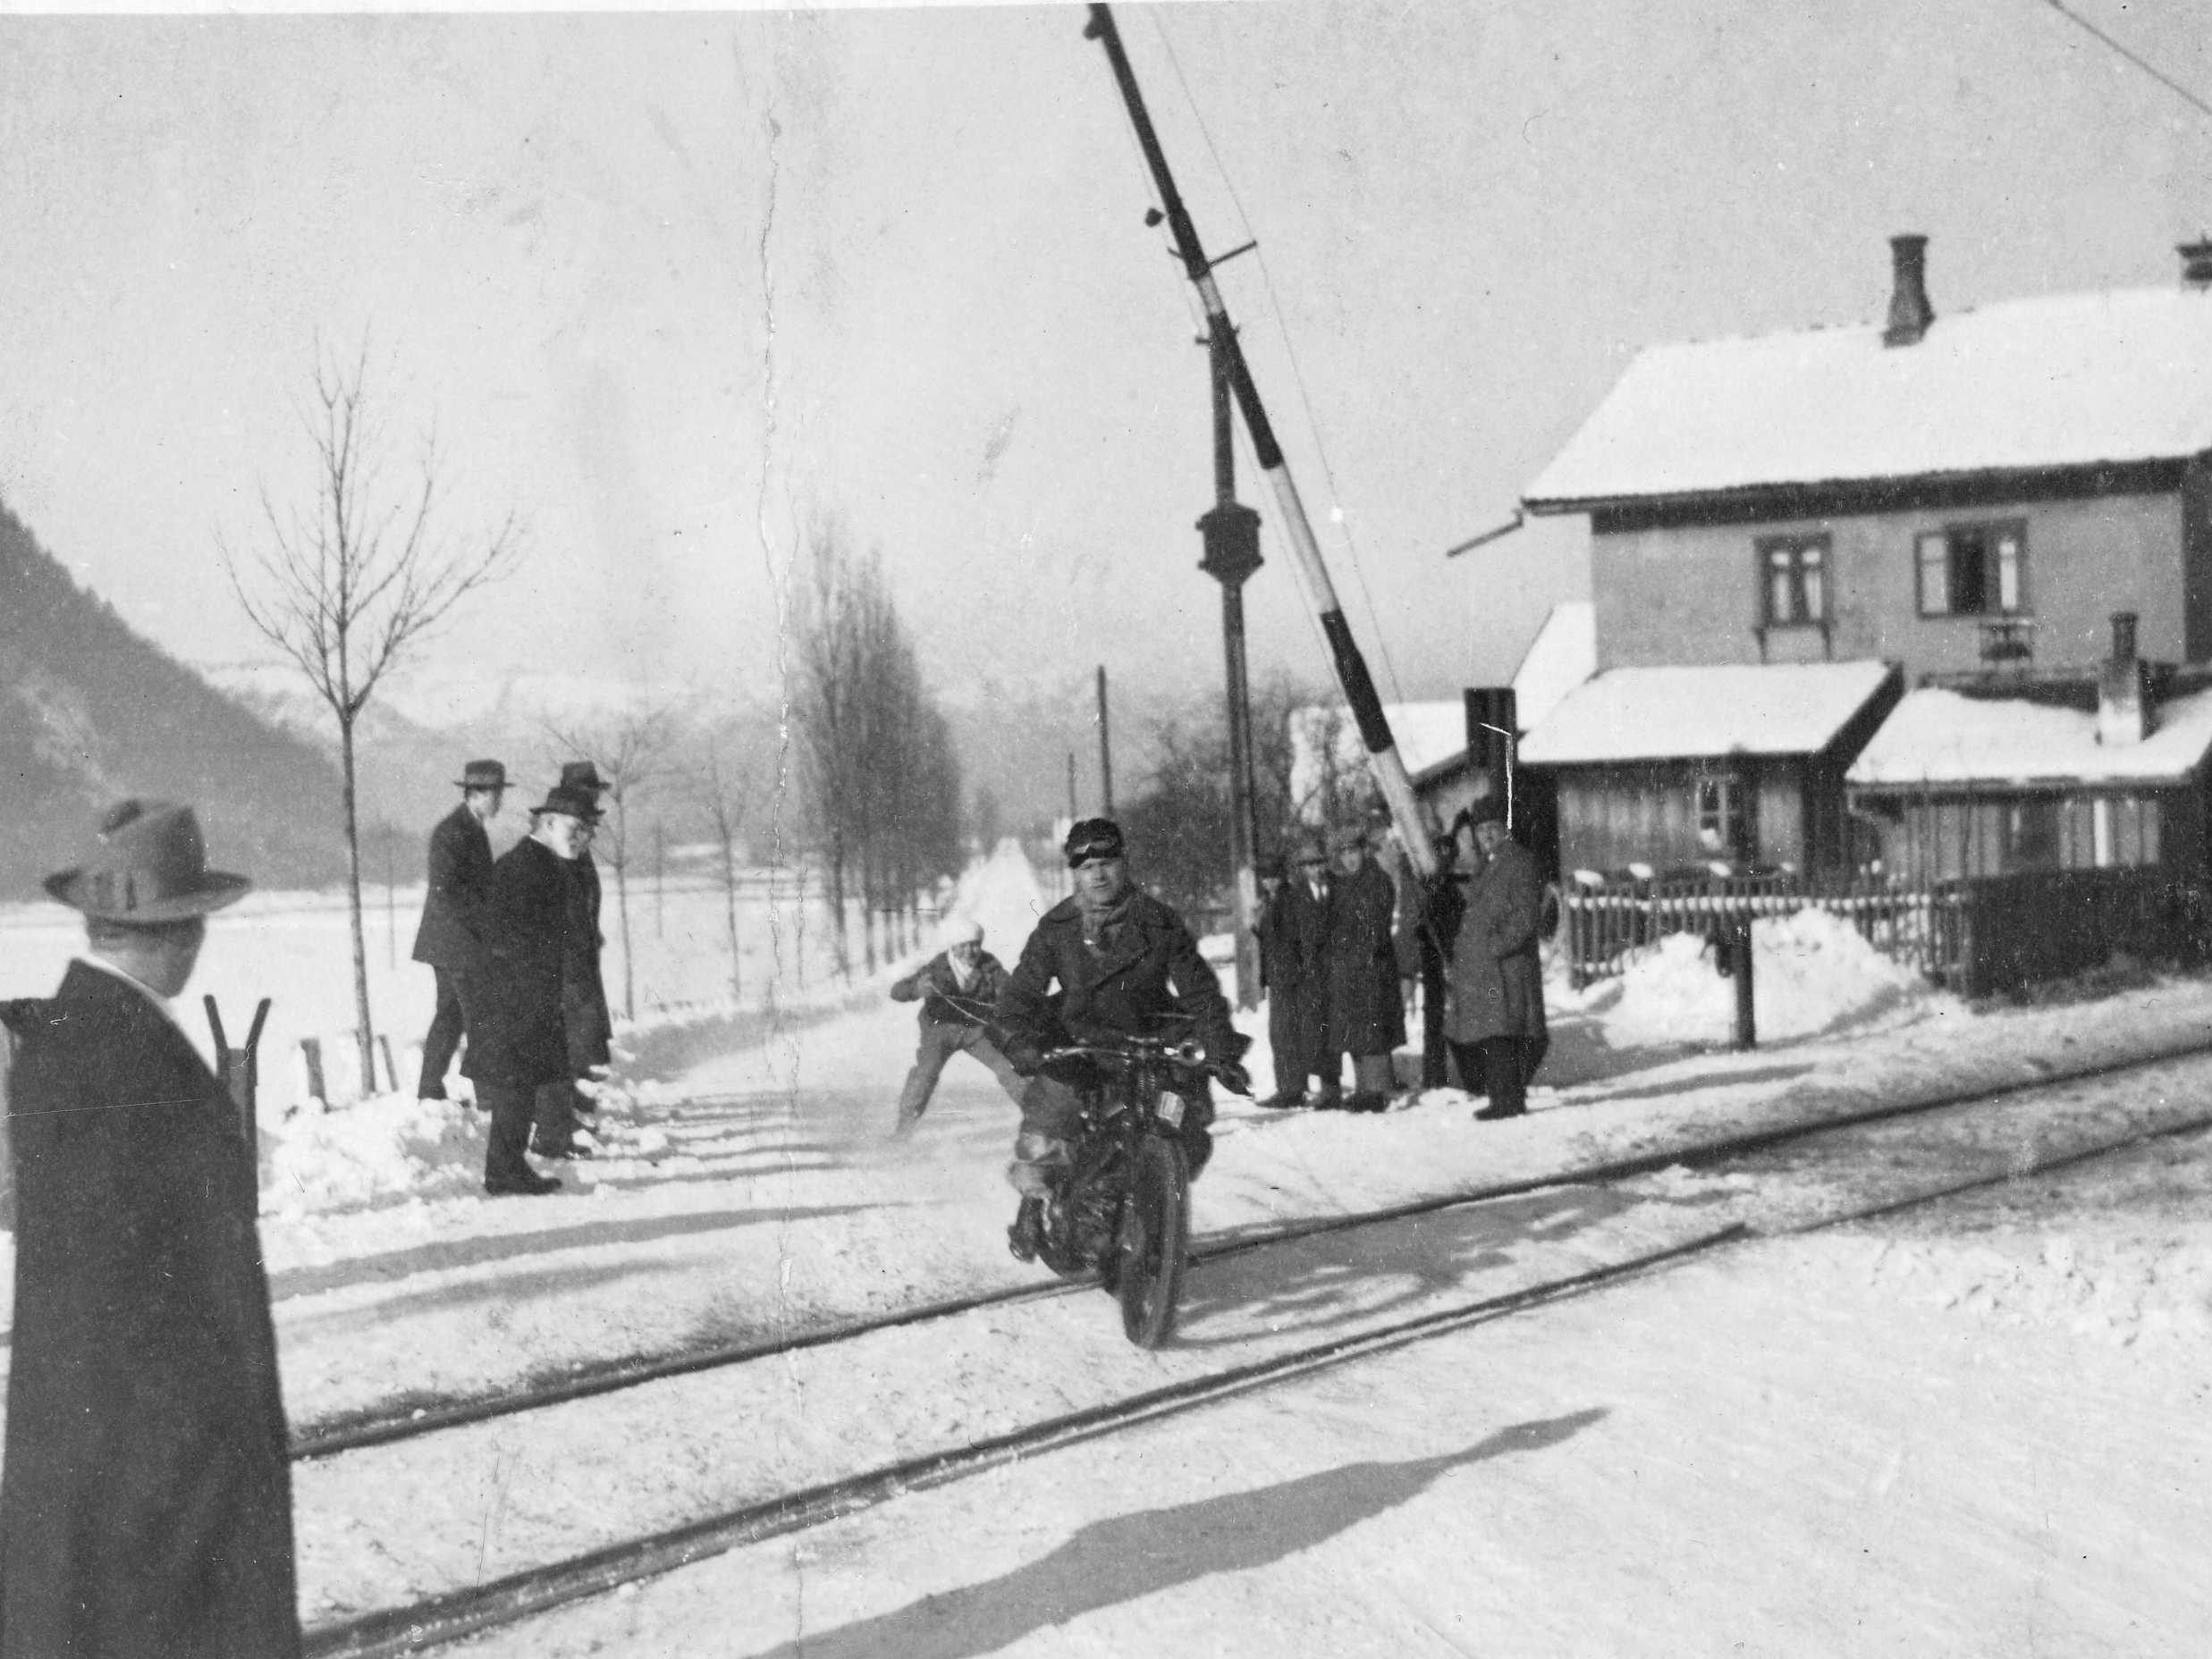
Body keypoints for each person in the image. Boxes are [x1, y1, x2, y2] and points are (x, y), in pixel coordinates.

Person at [1, 800, 300, 1656]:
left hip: (87, 1444)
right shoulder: (133, 1056)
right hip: (164, 1465)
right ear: (184, 930)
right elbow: (149, 1291)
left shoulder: (66, 1032)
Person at [993, 818, 1248, 1254]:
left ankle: (1155, 1208)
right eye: (1086, 865)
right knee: (1050, 1120)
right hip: (1080, 1045)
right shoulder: (1057, 929)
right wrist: (1020, 1038)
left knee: (1185, 1120)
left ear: (1124, 863)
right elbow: (1020, 995)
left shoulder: (1159, 922)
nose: (1098, 873)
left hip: (1148, 1045)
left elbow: (1200, 991)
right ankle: (1037, 1205)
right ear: (1074, 873)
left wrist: (1220, 1052)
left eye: (1107, 861)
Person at [467, 785, 600, 1195]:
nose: (582, 838)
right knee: (515, 1085)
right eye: (575, 829)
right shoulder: (525, 867)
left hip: (526, 993)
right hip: (514, 995)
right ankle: (504, 1171)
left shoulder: (544, 864)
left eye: (588, 832)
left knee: (520, 1087)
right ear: (549, 823)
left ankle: (506, 1168)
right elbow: (502, 936)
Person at [1441, 796, 1549, 1121]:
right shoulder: (1489, 864)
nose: (1486, 834)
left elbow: (1527, 914)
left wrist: (1497, 945)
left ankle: (1507, 1100)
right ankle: (1505, 1098)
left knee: (1504, 1033)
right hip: (1490, 969)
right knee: (1495, 1033)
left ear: (1505, 829)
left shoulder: (1518, 861)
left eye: (1493, 828)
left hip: (1506, 967)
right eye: (1481, 829)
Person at [409, 758, 505, 1102]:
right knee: (479, 1015)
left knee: (451, 1016)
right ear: (475, 794)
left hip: (455, 942)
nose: (499, 802)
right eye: (494, 795)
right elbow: (447, 892)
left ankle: (429, 1088)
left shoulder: (472, 828)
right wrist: (487, 919)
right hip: (456, 943)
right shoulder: (453, 831)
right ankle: (489, 1098)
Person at [887, 915, 1024, 1137]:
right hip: (939, 1030)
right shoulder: (937, 967)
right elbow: (897, 991)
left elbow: (1011, 989)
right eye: (964, 945)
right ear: (953, 946)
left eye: (975, 945)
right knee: (926, 1074)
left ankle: (1040, 1121)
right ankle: (903, 1130)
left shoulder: (989, 965)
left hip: (977, 1031)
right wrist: (917, 989)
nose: (970, 951)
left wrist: (1009, 999)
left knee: (1010, 1068)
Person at [543, 762, 613, 1158]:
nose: (594, 800)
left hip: (577, 949)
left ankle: (566, 1111)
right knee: (568, 1037)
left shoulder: (574, 840)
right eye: (588, 793)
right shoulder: (561, 844)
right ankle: (558, 1121)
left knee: (576, 1036)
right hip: (565, 955)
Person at [1322, 821, 1407, 1113]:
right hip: (1349, 968)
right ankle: (1363, 1088)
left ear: (1364, 851)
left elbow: (1376, 925)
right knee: (1356, 1031)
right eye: (1344, 854)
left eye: (1354, 852)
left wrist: (1352, 948)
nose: (1350, 858)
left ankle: (1377, 1089)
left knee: (1373, 1029)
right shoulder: (1342, 883)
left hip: (1371, 966)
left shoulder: (1377, 880)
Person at [1268, 830, 1336, 1107]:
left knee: (1332, 1030)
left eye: (1319, 863)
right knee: (1314, 1033)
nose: (1316, 870)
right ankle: (1314, 1088)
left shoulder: (1337, 889)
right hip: (1309, 974)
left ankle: (1332, 1090)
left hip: (1333, 970)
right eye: (1309, 865)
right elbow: (1288, 937)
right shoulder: (1295, 898)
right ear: (1302, 869)